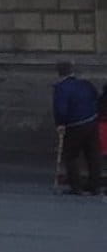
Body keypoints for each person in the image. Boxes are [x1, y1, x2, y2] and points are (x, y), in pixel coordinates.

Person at [51, 59, 100, 196]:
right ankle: (94, 186)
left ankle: (76, 186)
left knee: (71, 155)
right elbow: (95, 97)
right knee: (93, 155)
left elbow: (61, 109)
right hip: (91, 121)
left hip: (75, 125)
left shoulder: (61, 88)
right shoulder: (85, 84)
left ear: (59, 73)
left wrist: (60, 124)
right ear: (72, 71)